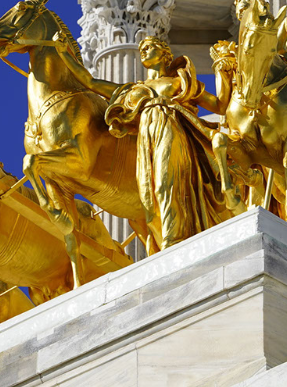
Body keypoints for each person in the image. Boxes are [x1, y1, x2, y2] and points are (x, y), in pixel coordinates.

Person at [55, 36, 230, 249]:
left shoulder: (179, 82)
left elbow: (220, 106)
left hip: (171, 129)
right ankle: (163, 239)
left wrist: (224, 69)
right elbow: (90, 82)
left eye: (149, 47)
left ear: (165, 53)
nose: (143, 51)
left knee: (168, 182)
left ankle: (173, 239)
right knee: (148, 194)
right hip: (146, 139)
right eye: (141, 48)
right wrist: (64, 53)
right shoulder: (132, 90)